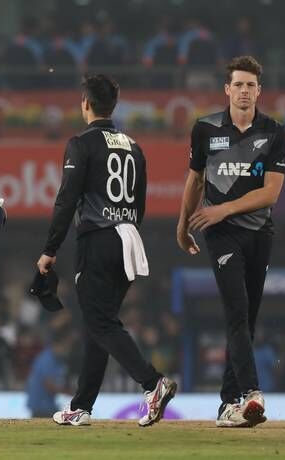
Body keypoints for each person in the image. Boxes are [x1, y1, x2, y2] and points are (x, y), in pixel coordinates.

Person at [36, 74, 176, 428]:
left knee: (99, 322)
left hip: (98, 238)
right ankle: (81, 406)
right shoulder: (134, 146)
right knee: (98, 325)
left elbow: (67, 199)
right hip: (129, 239)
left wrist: (50, 249)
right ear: (114, 104)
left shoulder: (80, 144)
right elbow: (140, 203)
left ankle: (152, 383)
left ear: (85, 103)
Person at [177, 55, 285, 428]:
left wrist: (224, 208)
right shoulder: (205, 129)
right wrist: (183, 225)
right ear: (227, 89)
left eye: (250, 85)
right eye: (238, 84)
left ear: (259, 90)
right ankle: (252, 393)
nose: (243, 91)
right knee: (237, 312)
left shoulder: (274, 131)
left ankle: (228, 404)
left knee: (247, 319)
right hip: (221, 234)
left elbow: (271, 193)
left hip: (259, 232)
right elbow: (195, 180)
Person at [26, 335, 71, 418]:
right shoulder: (47, 359)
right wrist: (68, 392)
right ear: (57, 345)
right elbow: (49, 385)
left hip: (47, 405)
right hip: (41, 406)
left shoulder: (55, 358)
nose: (67, 349)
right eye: (65, 346)